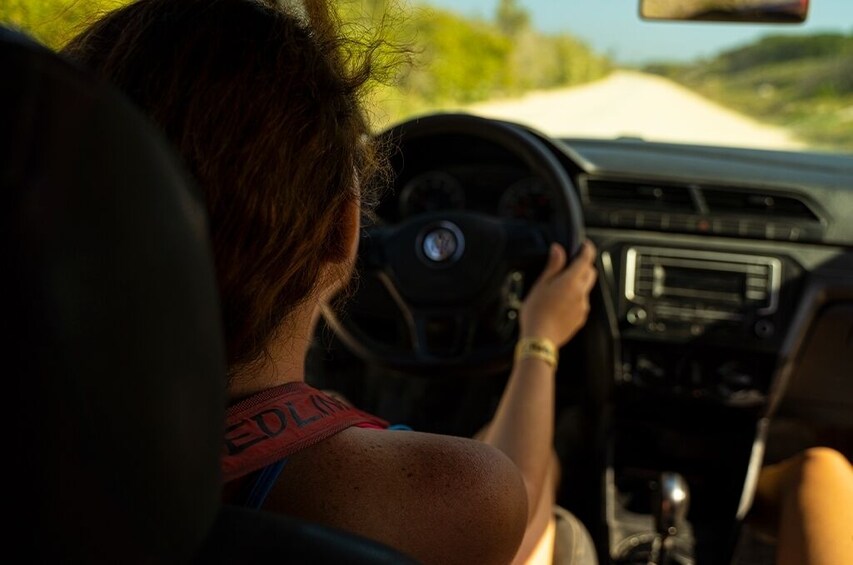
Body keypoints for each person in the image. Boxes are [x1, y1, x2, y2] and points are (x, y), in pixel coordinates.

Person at [63, 1, 598, 563]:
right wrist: (540, 340)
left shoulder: (36, 436)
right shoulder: (458, 491)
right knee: (551, 517)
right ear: (344, 233)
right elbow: (520, 496)